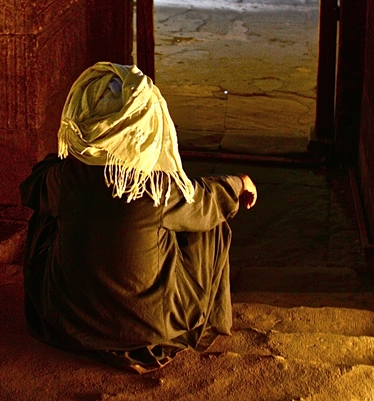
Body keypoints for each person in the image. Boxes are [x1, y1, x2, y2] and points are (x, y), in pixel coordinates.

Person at [20, 61, 258, 374]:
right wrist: (239, 183)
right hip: (147, 337)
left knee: (47, 210)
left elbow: (30, 189)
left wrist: (63, 161)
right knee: (209, 220)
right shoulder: (157, 187)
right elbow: (209, 201)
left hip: (63, 324)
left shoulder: (66, 178)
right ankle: (206, 320)